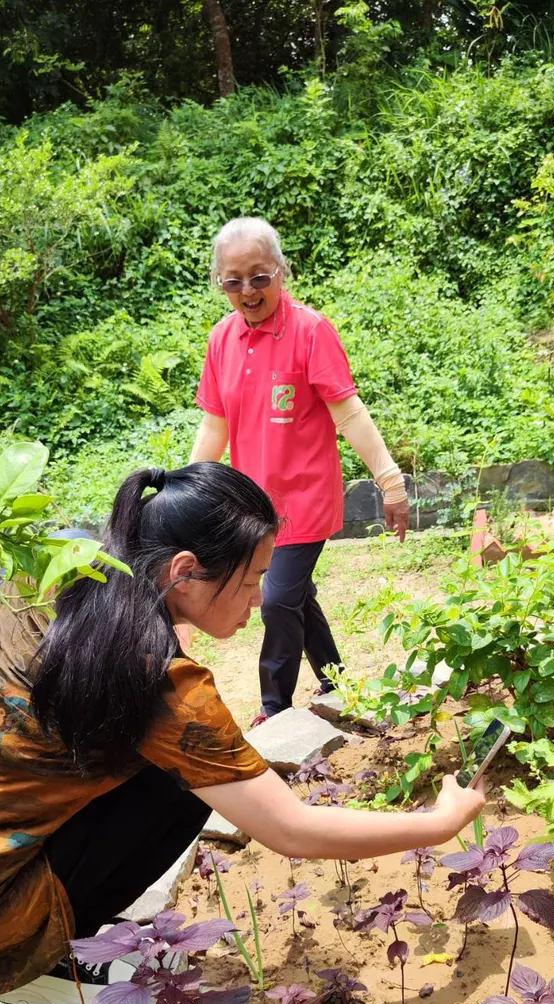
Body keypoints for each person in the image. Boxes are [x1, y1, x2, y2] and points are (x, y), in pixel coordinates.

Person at [0, 463, 483, 1004]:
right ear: (184, 569)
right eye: (250, 580)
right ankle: (41, 963)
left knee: (177, 769)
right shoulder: (156, 680)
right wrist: (440, 824)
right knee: (182, 787)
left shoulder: (59, 567)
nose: (259, 598)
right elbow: (291, 829)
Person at [191, 216, 411, 724]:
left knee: (276, 600)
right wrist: (181, 495)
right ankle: (338, 683)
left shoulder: (310, 331)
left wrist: (391, 481)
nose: (248, 290)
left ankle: (275, 707)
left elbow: (349, 412)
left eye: (259, 277)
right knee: (296, 599)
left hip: (306, 501)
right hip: (257, 505)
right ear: (219, 282)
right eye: (233, 280)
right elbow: (214, 427)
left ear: (281, 271)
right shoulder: (221, 339)